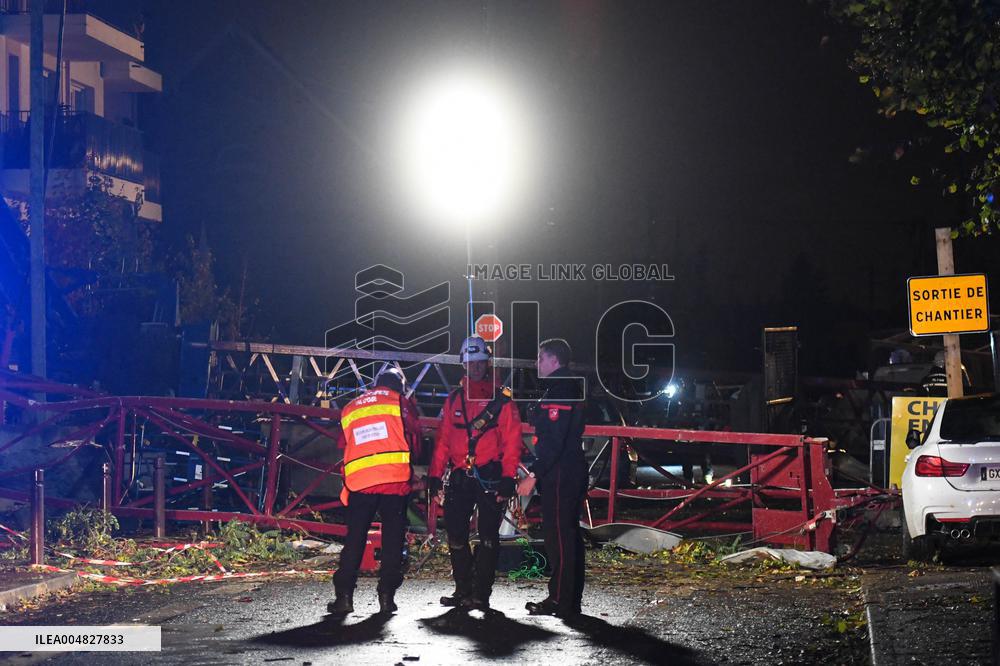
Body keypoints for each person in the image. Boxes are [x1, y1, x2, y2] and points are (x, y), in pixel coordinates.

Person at [427, 336, 523, 611]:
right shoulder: (454, 400)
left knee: (488, 536)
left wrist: (508, 478)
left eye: (480, 362)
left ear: (487, 363)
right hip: (460, 475)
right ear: (464, 365)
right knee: (455, 534)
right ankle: (463, 589)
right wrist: (435, 476)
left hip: (491, 475)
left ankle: (481, 594)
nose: (476, 367)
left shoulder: (502, 401)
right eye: (471, 362)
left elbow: (512, 441)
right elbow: (443, 442)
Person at [329, 366, 422, 616]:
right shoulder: (401, 403)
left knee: (355, 539)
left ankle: (344, 598)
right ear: (401, 386)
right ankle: (386, 598)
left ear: (376, 384)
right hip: (394, 482)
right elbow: (415, 442)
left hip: (360, 483)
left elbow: (343, 443)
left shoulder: (351, 407)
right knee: (392, 541)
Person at [518, 338, 587, 619]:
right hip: (569, 469)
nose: (537, 363)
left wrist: (534, 474)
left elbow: (554, 441)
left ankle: (559, 599)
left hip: (561, 472)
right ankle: (569, 599)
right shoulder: (568, 387)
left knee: (558, 536)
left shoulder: (561, 390)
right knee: (569, 535)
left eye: (541, 358)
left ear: (554, 360)